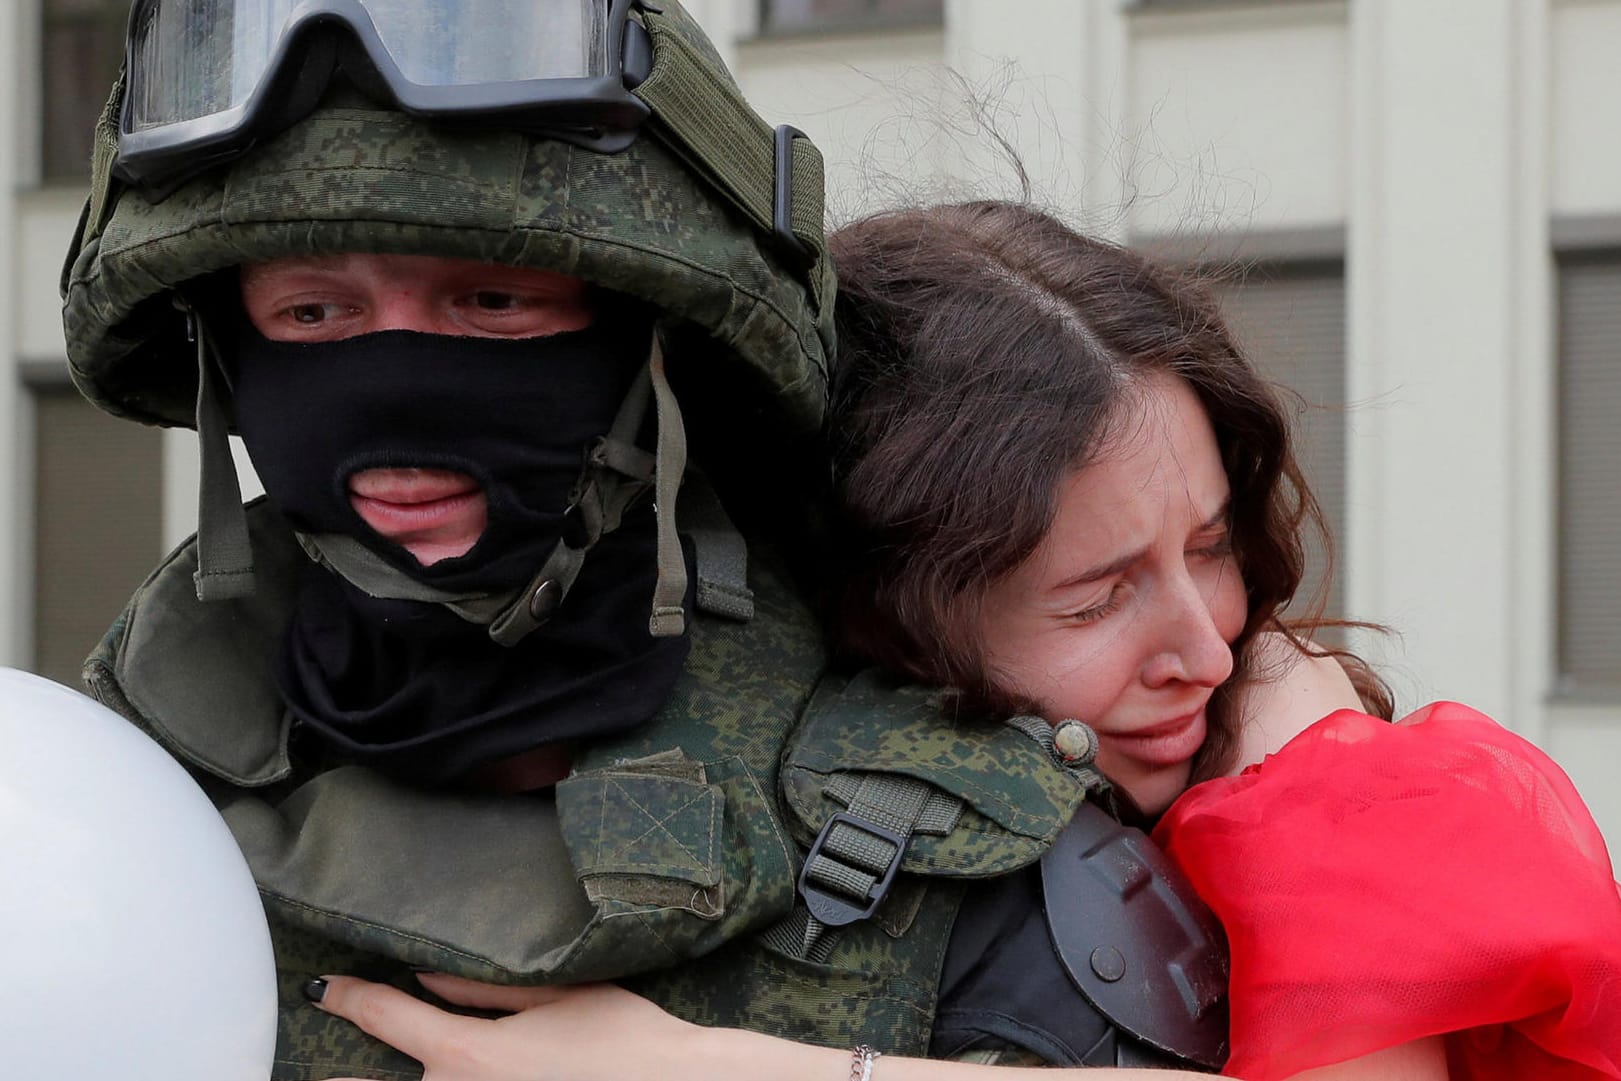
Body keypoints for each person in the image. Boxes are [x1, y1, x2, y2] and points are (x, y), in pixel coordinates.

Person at [62, 4, 1239, 1079]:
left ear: (655, 348)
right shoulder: (89, 820)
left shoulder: (975, 850)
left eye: (494, 303)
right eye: (315, 313)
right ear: (233, 356)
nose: (396, 394)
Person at [302, 203, 1621, 1081]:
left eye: (1210, 547)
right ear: (882, 611)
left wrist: (699, 1067)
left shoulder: (1325, 767)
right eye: (1098, 595)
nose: (1207, 648)